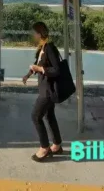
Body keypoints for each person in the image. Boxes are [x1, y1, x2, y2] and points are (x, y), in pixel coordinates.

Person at [23, 22, 63, 162]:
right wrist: (28, 74)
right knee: (49, 115)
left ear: (40, 33)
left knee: (36, 116)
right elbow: (38, 64)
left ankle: (44, 148)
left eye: (34, 33)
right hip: (46, 88)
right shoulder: (43, 47)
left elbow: (56, 70)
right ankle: (57, 145)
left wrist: (39, 69)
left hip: (48, 91)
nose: (33, 35)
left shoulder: (49, 47)